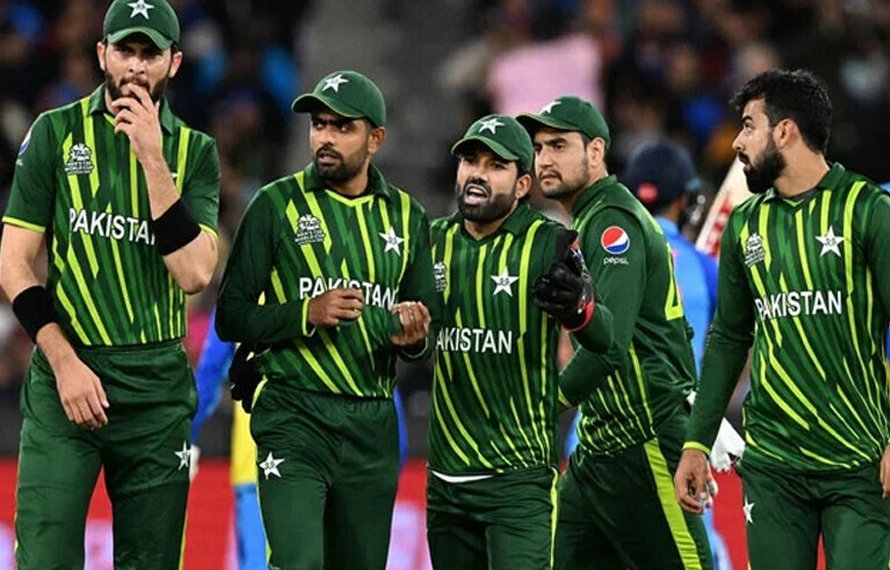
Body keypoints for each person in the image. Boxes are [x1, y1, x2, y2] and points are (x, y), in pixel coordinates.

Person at [0, 0, 220, 567]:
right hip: (67, 378)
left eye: (151, 53)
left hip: (156, 391)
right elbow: (13, 264)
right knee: (44, 559)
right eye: (125, 50)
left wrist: (152, 157)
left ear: (174, 63)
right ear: (102, 55)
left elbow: (194, 272)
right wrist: (64, 362)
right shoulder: (54, 133)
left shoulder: (196, 152)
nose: (137, 66)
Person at [215, 70, 441, 570]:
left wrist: (412, 338)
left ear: (375, 139)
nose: (326, 138)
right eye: (319, 124)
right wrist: (305, 312)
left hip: (371, 422)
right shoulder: (274, 205)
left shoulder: (408, 217)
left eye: (343, 127)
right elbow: (231, 316)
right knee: (297, 562)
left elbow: (426, 329)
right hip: (293, 414)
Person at [674, 68, 890, 570]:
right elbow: (729, 339)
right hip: (773, 467)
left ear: (786, 131)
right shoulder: (745, 223)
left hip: (858, 461)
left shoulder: (868, 210)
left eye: (749, 126)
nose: (737, 142)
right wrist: (696, 442)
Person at [517, 96, 713, 569]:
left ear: (596, 151)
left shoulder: (612, 222)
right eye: (539, 148)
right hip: (600, 443)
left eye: (559, 145)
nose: (544, 159)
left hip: (646, 438)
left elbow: (609, 347)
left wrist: (535, 407)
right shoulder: (589, 218)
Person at [426, 114, 613, 570]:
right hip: (446, 482)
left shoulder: (552, 243)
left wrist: (579, 308)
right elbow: (410, 343)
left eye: (495, 166)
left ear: (523, 184)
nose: (477, 174)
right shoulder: (431, 241)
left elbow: (605, 339)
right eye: (470, 161)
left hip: (519, 481)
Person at [189, 312, 410, 570]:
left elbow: (210, 370)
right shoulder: (338, 300)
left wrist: (188, 436)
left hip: (258, 463)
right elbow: (374, 376)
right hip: (330, 465)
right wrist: (391, 457)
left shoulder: (242, 300)